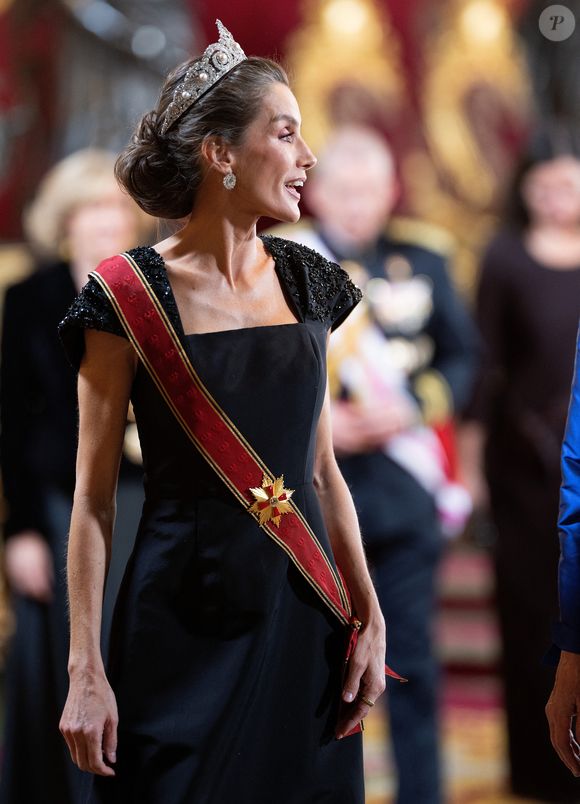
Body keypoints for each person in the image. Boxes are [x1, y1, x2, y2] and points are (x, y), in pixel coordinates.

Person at [57, 22, 386, 803]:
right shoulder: (125, 296)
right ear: (222, 154)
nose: (309, 157)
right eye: (286, 132)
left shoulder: (312, 283)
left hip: (305, 622)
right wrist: (85, 669)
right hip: (178, 624)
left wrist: (368, 615)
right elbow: (94, 502)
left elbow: (321, 473)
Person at [273, 125, 477, 804]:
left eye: (370, 192)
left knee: (412, 660)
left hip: (401, 488)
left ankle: (422, 794)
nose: (357, 206)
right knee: (315, 667)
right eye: (343, 191)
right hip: (316, 492)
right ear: (315, 192)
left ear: (391, 191)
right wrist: (326, 423)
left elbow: (462, 358)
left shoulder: (424, 257)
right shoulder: (281, 261)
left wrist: (412, 406)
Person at [0, 149, 147, 804]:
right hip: (60, 510)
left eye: (118, 209)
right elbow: (11, 427)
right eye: (92, 208)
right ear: (65, 220)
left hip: (145, 505)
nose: (106, 223)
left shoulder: (157, 290)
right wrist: (23, 530)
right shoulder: (29, 299)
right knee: (64, 670)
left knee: (135, 664)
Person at [461, 147, 580, 802]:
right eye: (544, 184)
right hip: (527, 474)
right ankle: (539, 773)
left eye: (569, 181)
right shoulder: (505, 257)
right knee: (533, 616)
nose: (557, 195)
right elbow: (483, 369)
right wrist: (472, 470)